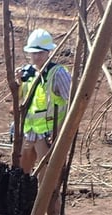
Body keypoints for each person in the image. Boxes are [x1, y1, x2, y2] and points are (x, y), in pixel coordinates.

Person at [17, 28, 71, 174]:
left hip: (47, 135)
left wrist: (60, 133)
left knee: (47, 180)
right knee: (21, 177)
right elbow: (20, 102)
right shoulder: (27, 73)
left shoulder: (58, 73)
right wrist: (18, 83)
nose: (36, 57)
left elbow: (72, 104)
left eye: (40, 53)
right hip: (29, 133)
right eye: (33, 53)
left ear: (49, 52)